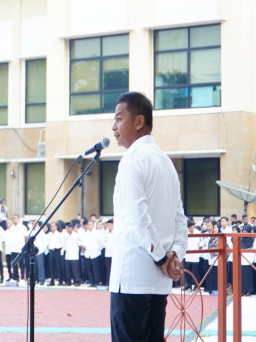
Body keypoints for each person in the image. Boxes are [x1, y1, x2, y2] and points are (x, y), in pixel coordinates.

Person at [108, 91, 187, 342]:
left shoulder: (132, 160)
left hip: (133, 277)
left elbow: (138, 219)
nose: (113, 127)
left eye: (119, 118)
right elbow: (180, 219)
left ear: (139, 121)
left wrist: (163, 258)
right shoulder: (166, 162)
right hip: (159, 281)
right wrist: (174, 256)